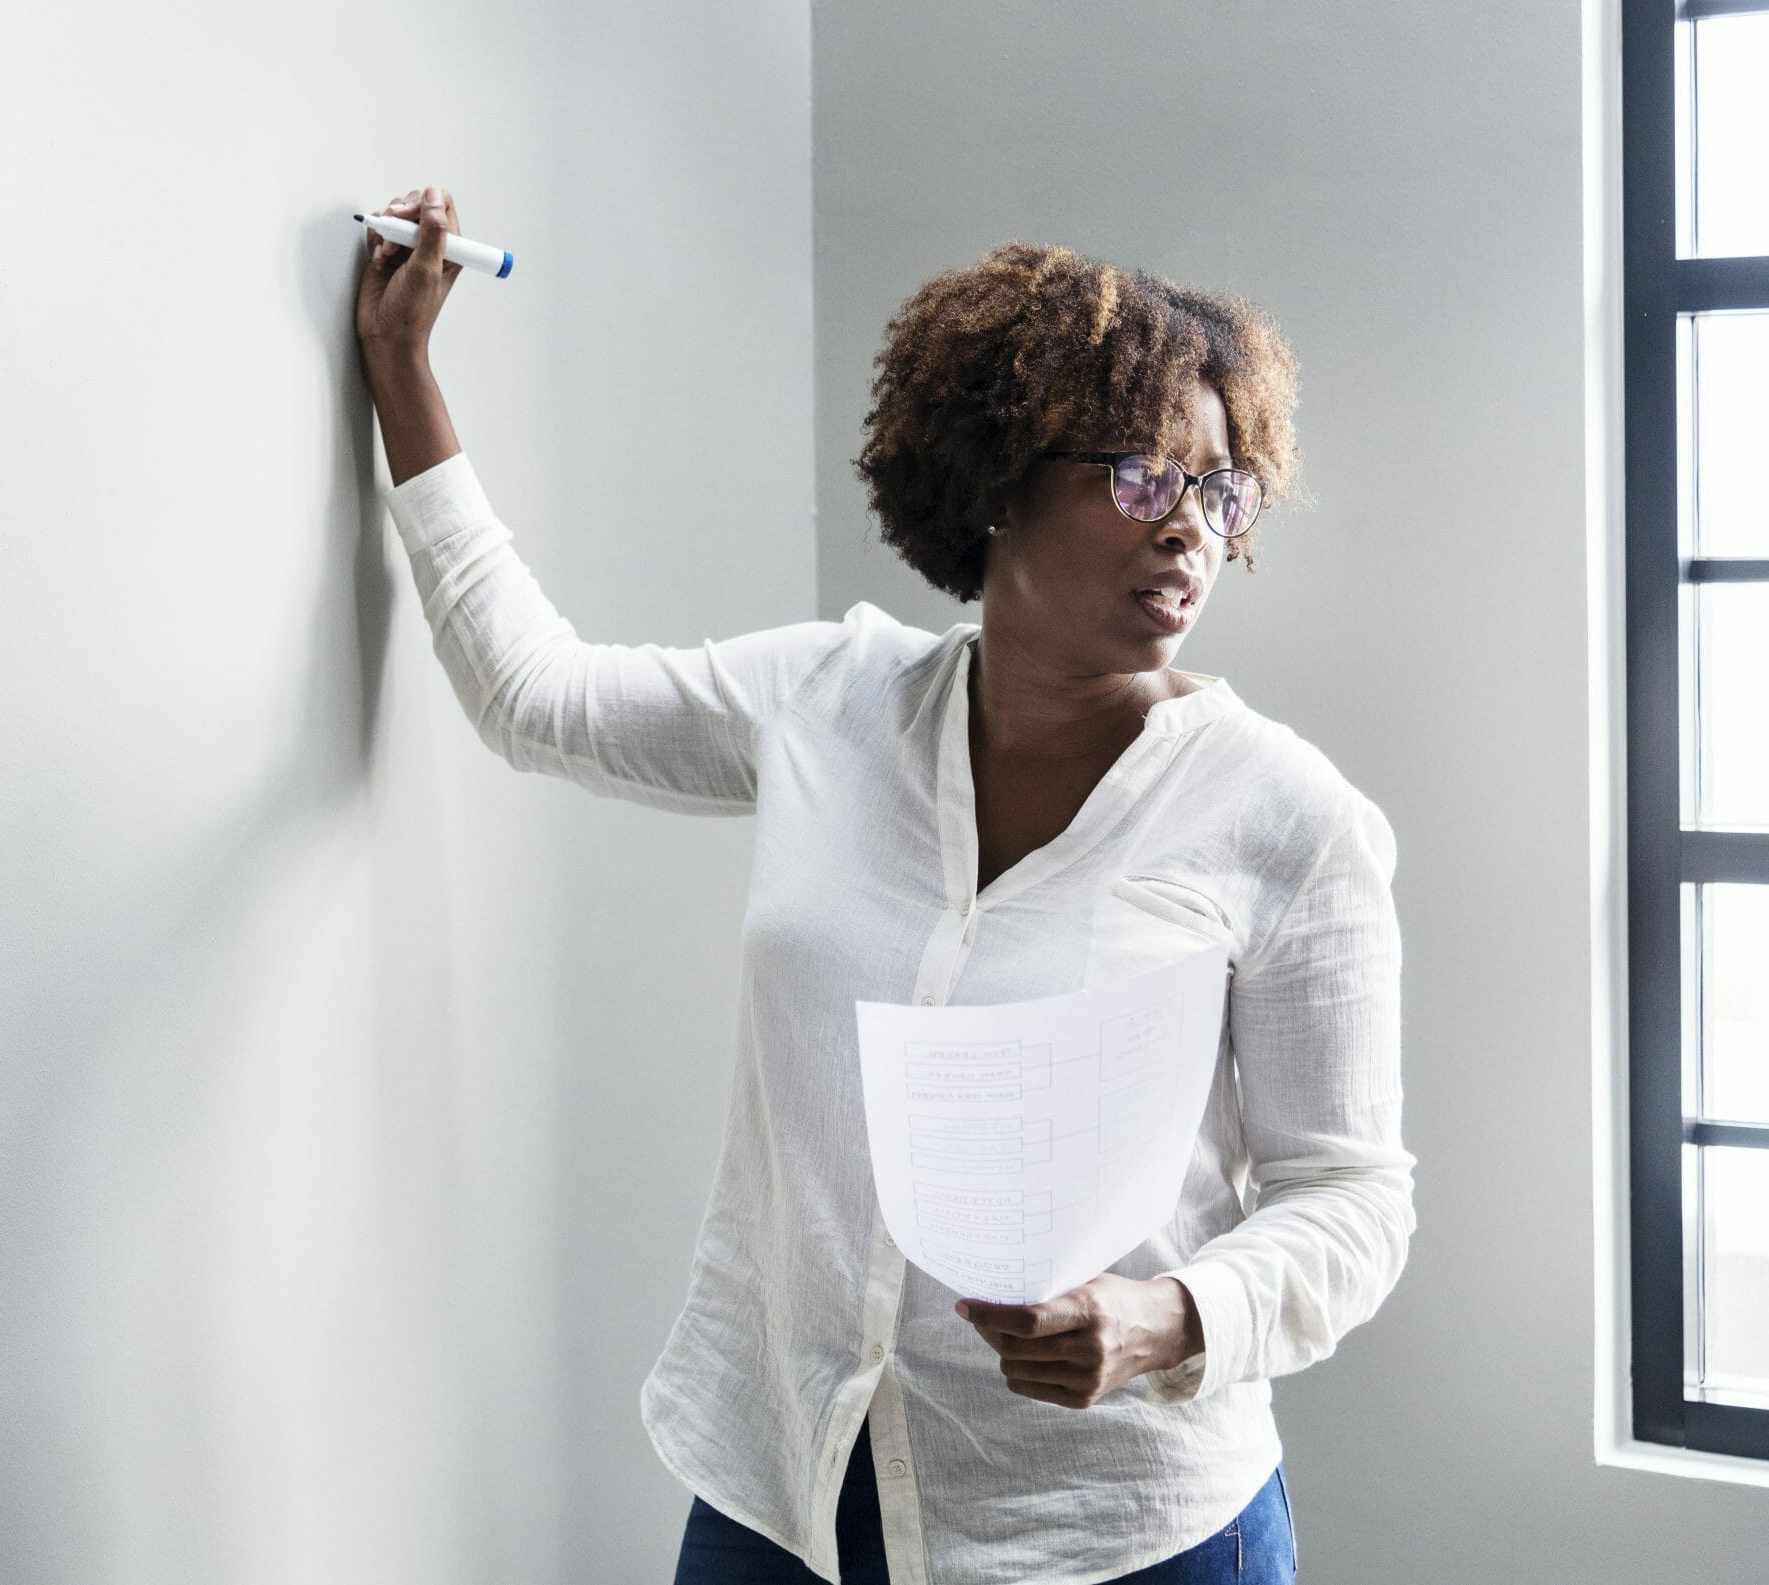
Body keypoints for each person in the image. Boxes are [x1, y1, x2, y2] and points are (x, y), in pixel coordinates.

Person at [355, 185, 1410, 1585]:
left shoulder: (1288, 817)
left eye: (1222, 491)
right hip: (782, 1492)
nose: (1192, 530)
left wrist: (1166, 1315)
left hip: (1117, 1532)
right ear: (998, 479)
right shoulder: (828, 697)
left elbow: (1352, 1197)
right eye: (1143, 476)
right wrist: (404, 377)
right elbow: (535, 698)